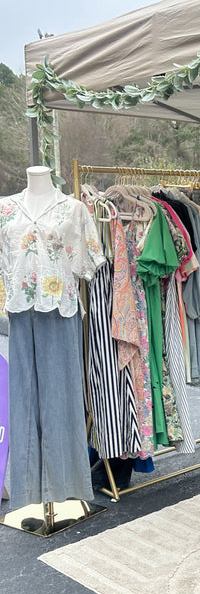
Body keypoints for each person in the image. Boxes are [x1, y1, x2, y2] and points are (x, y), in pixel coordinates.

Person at [0, 165, 105, 514]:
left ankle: (67, 487)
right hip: (19, 310)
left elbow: (88, 263)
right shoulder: (5, 209)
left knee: (63, 399)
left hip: (60, 309)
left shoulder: (73, 209)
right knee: (23, 399)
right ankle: (28, 493)